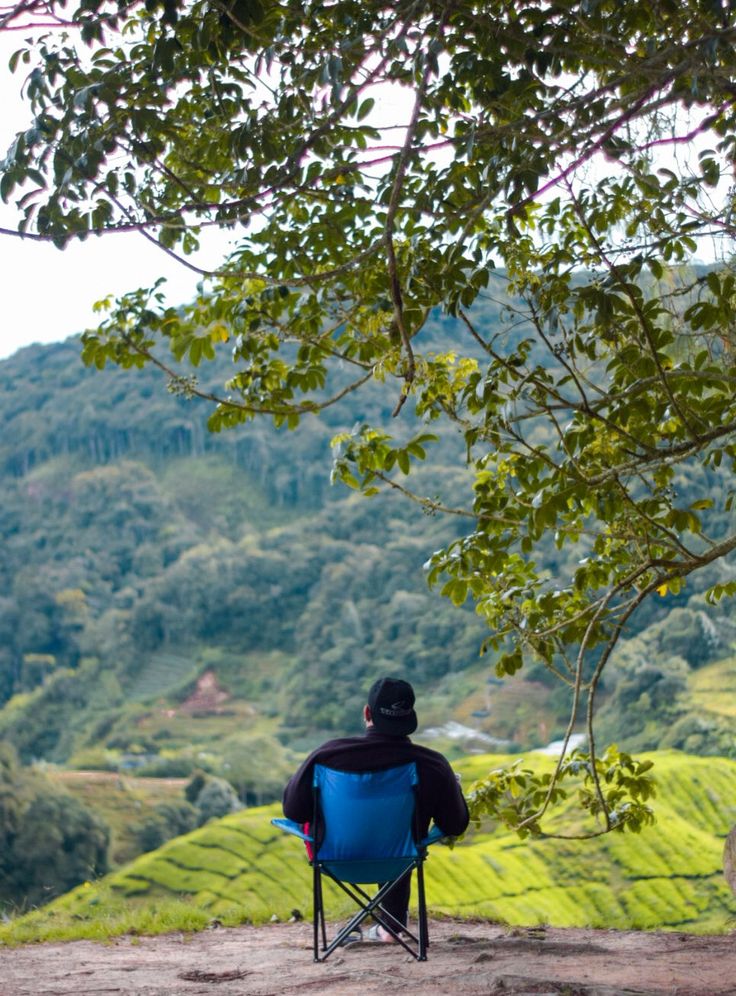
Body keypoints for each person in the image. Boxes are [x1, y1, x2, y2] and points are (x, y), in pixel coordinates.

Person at [282, 676, 469, 943]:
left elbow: (294, 811)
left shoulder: (326, 755)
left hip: (335, 861)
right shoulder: (432, 764)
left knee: (385, 832)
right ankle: (390, 927)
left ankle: (385, 928)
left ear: (367, 713)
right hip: (400, 861)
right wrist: (453, 787)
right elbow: (455, 825)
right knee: (403, 834)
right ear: (410, 717)